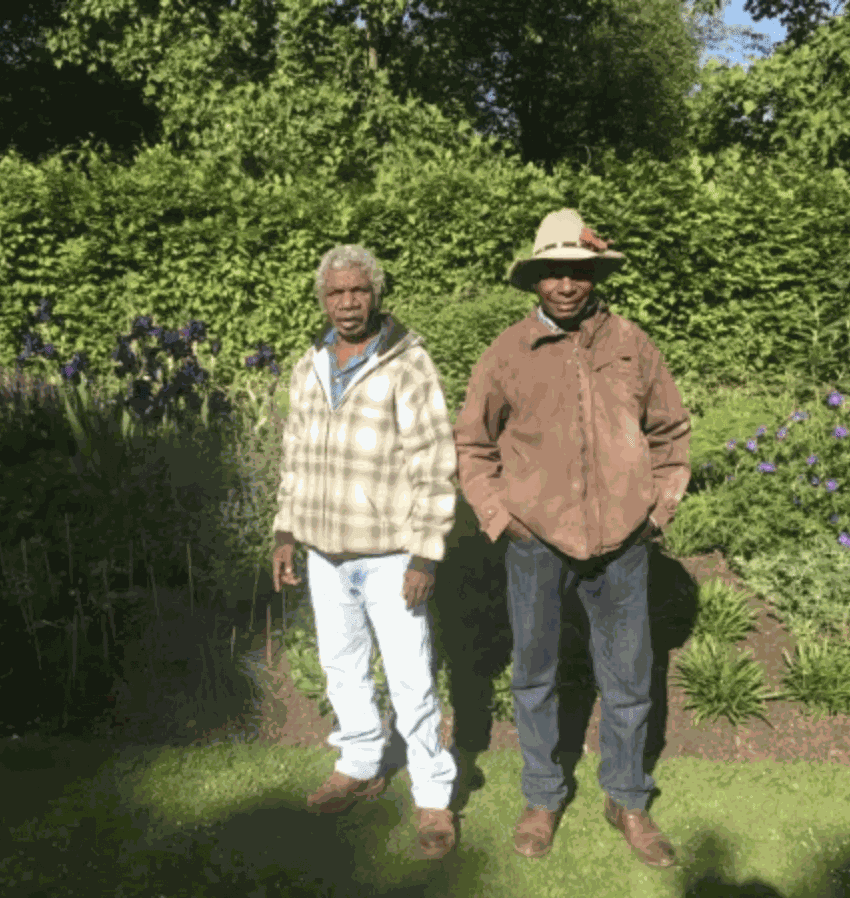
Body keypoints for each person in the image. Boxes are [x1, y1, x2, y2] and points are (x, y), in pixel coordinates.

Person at [454, 209, 691, 868]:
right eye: (553, 272)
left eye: (578, 272)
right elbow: (473, 444)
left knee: (630, 677)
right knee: (535, 676)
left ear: (595, 276)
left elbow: (670, 431)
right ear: (535, 279)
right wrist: (500, 516)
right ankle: (542, 796)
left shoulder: (632, 344)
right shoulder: (508, 351)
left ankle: (628, 798)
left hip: (624, 543)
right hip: (535, 542)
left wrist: (657, 511)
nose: (566, 284)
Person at [271, 244, 459, 860]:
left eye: (358, 290)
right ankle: (358, 763)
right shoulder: (309, 366)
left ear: (376, 295)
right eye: (336, 292)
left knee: (411, 678)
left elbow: (435, 462)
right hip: (325, 554)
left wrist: (425, 553)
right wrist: (284, 531)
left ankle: (432, 795)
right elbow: (294, 456)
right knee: (342, 667)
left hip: (389, 555)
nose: (348, 302)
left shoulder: (408, 363)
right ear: (322, 300)